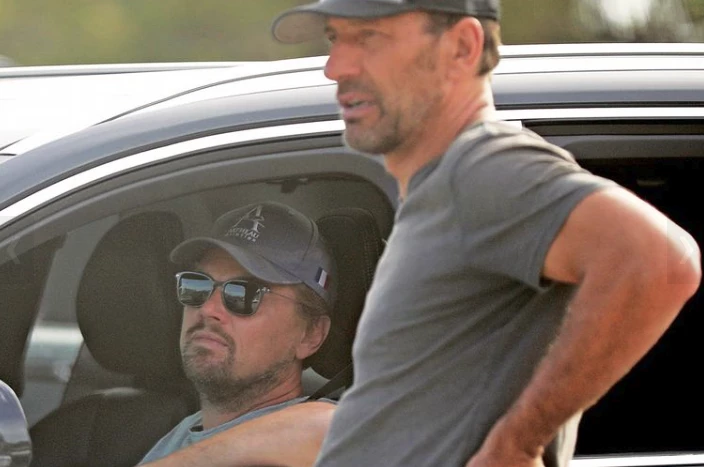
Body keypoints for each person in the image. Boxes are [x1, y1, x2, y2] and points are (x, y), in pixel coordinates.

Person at [275, 1, 700, 467]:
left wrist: (517, 444)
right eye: (335, 38)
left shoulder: (480, 168)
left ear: (462, 46)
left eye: (369, 38)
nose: (336, 67)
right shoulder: (446, 185)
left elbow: (659, 260)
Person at [138, 201, 337, 467]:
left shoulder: (335, 444)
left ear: (311, 334)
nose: (207, 309)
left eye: (244, 294)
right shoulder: (179, 434)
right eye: (197, 286)